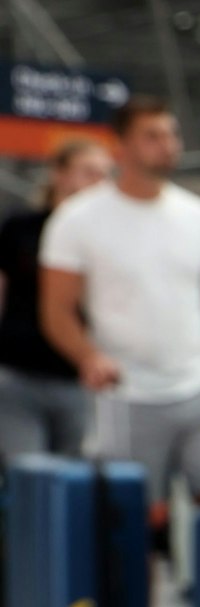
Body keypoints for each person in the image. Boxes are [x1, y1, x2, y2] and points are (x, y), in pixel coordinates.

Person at [40, 97, 200, 512]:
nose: (167, 144)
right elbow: (57, 310)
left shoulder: (199, 215)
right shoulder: (78, 220)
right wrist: (89, 357)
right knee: (134, 525)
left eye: (171, 134)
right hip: (128, 395)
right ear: (121, 148)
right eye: (152, 136)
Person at [0, 139, 111, 459]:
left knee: (72, 478)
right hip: (19, 371)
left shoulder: (104, 239)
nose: (99, 183)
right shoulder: (22, 227)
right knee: (29, 472)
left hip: (77, 377)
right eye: (89, 172)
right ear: (59, 175)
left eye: (105, 175)